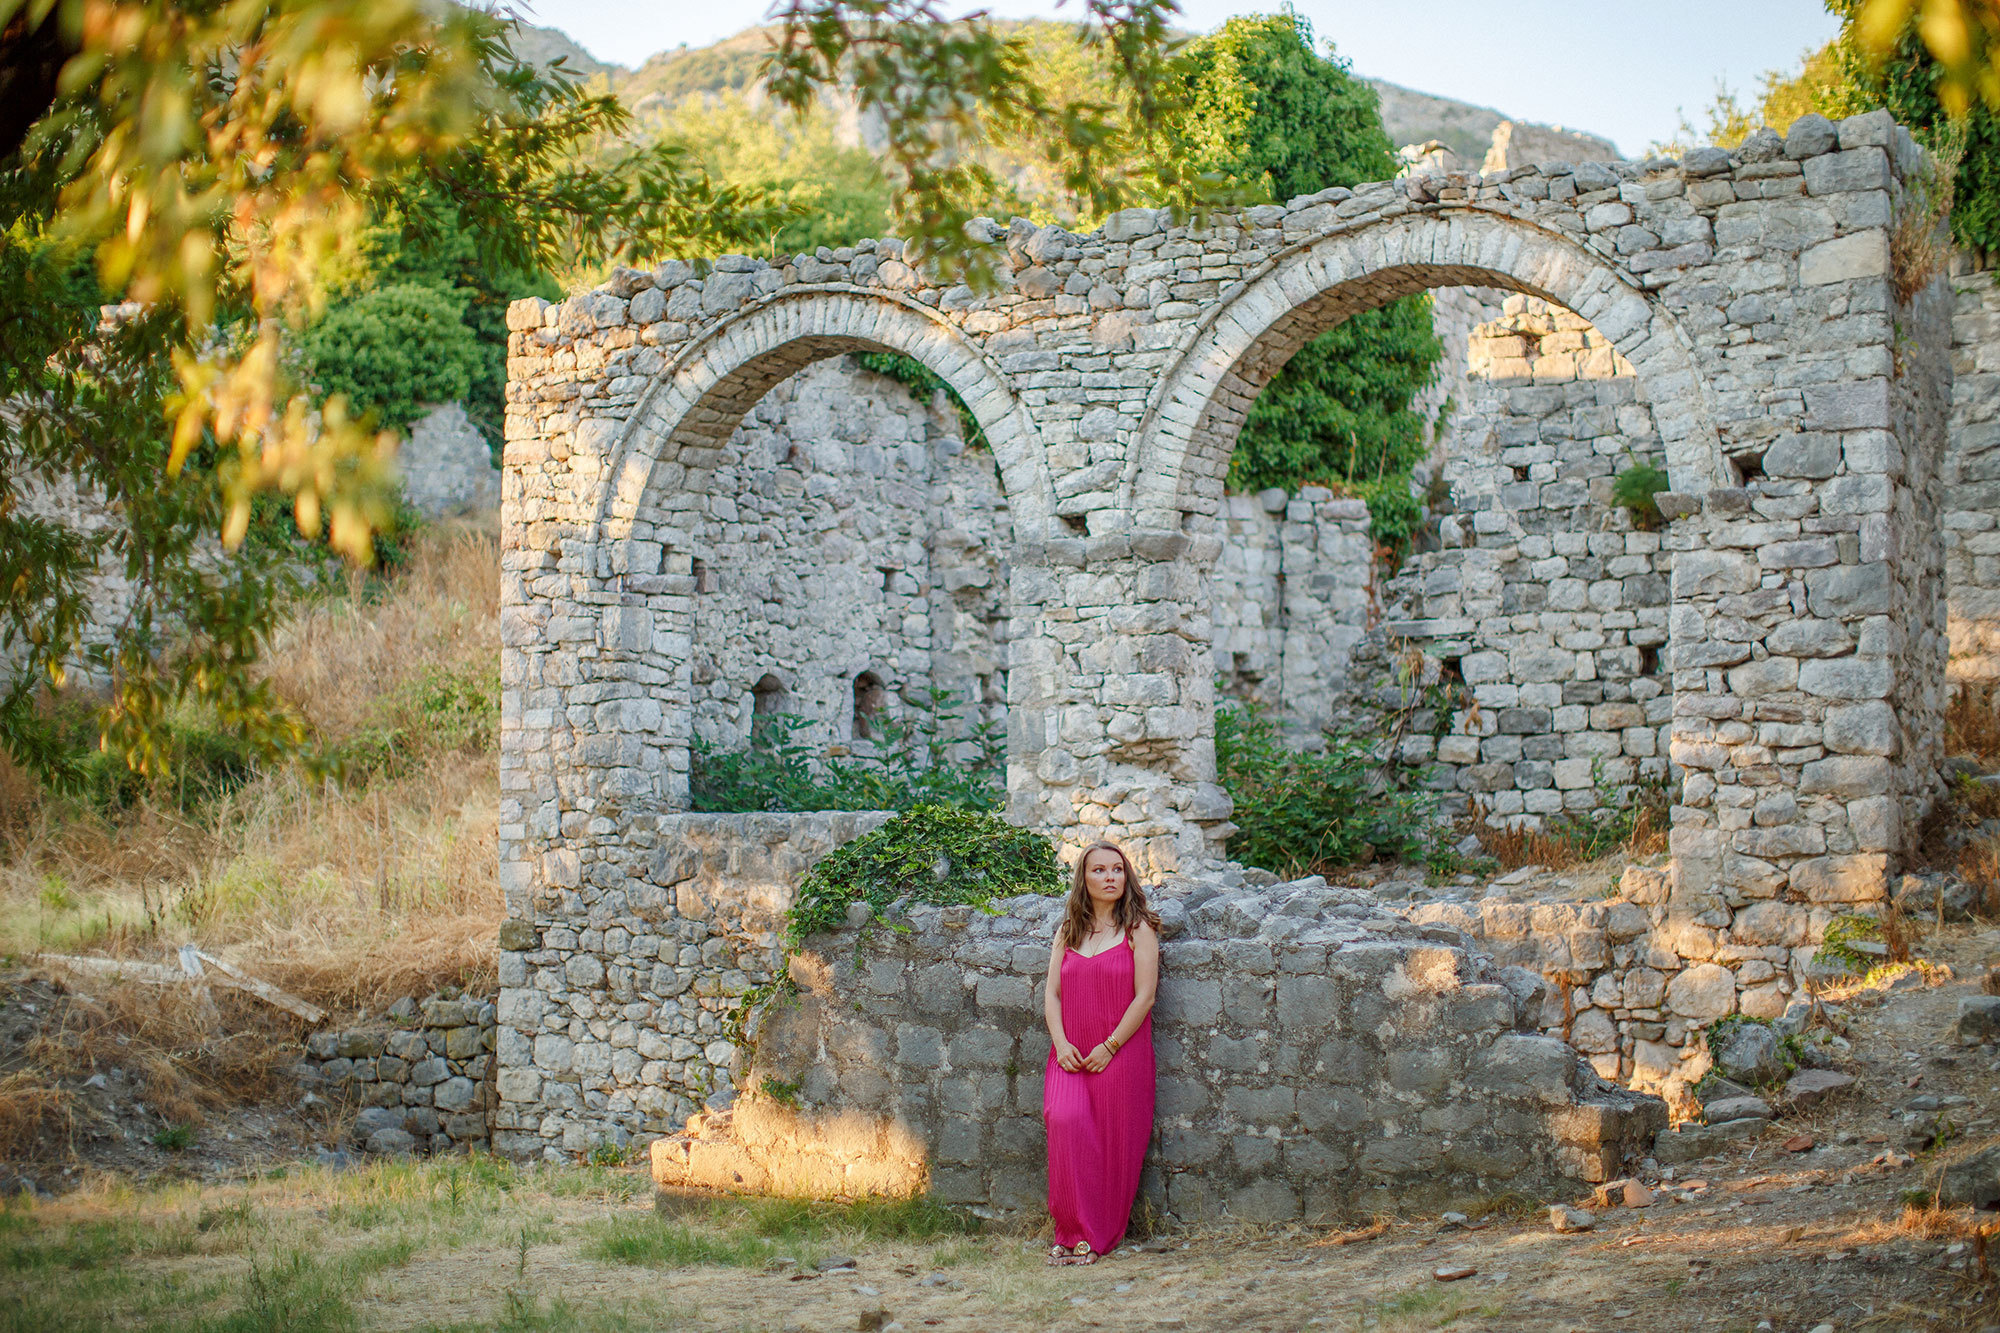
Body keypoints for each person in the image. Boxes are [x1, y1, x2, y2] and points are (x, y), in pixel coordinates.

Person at [1041, 839, 1160, 1266]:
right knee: (1065, 1121)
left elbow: (1145, 997)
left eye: (1117, 870)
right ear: (1084, 878)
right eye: (1099, 870)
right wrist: (1060, 1042)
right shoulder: (1068, 930)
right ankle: (1069, 1230)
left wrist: (1110, 1047)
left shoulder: (1138, 929)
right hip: (1070, 1052)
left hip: (1120, 1052)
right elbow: (1052, 995)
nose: (1110, 878)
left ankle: (1095, 1237)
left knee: (1110, 1144)